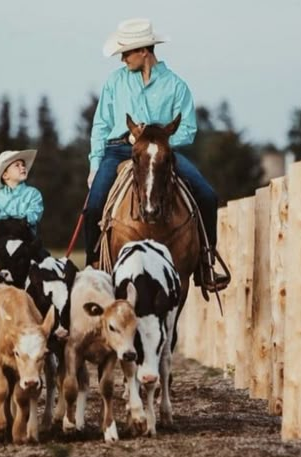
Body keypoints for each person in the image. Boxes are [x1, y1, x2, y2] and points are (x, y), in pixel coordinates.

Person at [84, 18, 229, 292]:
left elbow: (188, 128)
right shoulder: (115, 82)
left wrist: (161, 138)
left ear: (144, 51)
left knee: (207, 196)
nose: (122, 58)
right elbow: (100, 125)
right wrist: (94, 164)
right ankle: (93, 266)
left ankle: (206, 263)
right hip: (118, 149)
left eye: (126, 52)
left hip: (161, 152)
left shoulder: (176, 86)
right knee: (94, 205)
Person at [0, 149, 45, 258]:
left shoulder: (33, 193)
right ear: (5, 175)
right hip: (0, 237)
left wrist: (17, 221)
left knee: (41, 257)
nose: (22, 167)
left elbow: (35, 215)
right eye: (17, 165)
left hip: (24, 234)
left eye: (23, 165)